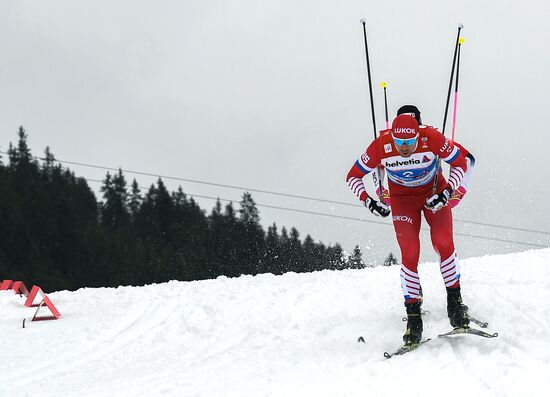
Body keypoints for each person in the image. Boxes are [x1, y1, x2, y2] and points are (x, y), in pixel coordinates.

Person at [346, 105, 473, 345]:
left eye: (409, 142)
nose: (404, 148)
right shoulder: (380, 146)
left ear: (418, 135)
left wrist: (446, 193)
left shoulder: (432, 138)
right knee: (410, 254)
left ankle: (455, 304)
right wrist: (369, 202)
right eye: (399, 142)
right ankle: (414, 318)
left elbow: (462, 164)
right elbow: (352, 176)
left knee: (444, 244)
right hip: (403, 202)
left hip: (434, 193)